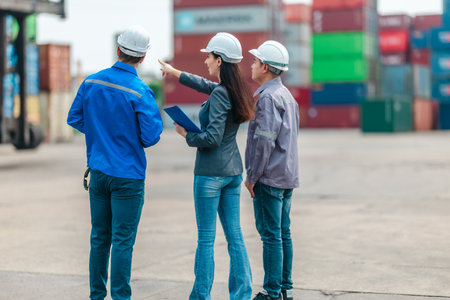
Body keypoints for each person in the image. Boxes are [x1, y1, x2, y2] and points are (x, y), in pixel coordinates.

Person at [67, 26, 163, 300]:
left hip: (98, 174)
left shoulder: (91, 82)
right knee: (122, 241)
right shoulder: (140, 91)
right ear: (142, 58)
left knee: (99, 238)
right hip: (128, 177)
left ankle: (96, 296)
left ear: (118, 50)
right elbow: (151, 136)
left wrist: (101, 134)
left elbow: (74, 118)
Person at [159, 32, 254, 300]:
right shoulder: (233, 90)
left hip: (211, 174)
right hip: (233, 171)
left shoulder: (222, 94)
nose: (206, 62)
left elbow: (211, 138)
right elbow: (202, 84)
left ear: (220, 60)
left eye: (209, 57)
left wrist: (186, 134)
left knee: (206, 239)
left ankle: (201, 295)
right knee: (234, 236)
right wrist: (174, 72)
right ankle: (243, 293)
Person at [244, 41, 299, 300]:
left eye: (255, 62)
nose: (251, 66)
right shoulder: (288, 96)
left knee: (270, 236)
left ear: (265, 67)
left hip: (269, 177)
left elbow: (264, 140)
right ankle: (285, 288)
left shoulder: (266, 98)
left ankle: (271, 291)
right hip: (287, 176)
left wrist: (252, 176)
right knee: (283, 233)